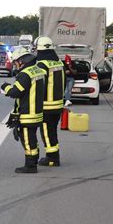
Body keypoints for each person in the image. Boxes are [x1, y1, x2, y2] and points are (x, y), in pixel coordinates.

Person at [1, 46, 46, 173]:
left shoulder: (25, 74)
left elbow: (16, 92)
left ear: (22, 61)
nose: (15, 65)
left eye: (16, 62)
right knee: (32, 137)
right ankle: (35, 158)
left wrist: (5, 87)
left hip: (27, 113)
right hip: (36, 111)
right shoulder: (38, 70)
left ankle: (30, 165)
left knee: (27, 139)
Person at [35, 37, 64, 166]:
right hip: (58, 104)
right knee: (52, 131)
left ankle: (52, 158)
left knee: (46, 132)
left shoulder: (41, 64)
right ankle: (54, 155)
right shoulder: (59, 63)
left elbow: (39, 84)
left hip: (46, 105)